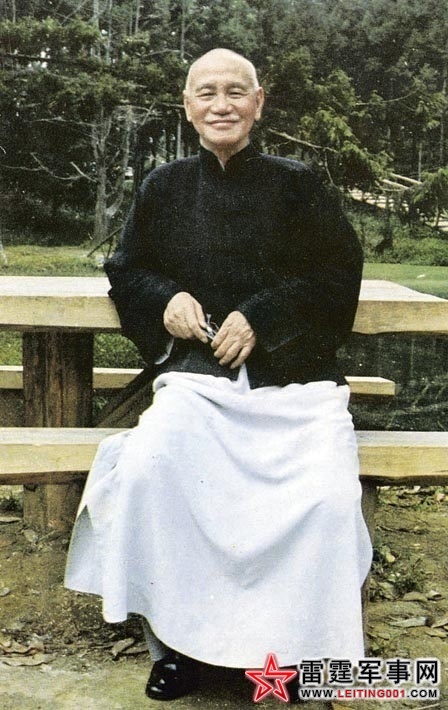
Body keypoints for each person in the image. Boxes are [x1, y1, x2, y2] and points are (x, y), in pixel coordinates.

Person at [65, 48, 372, 704]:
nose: (221, 104)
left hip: (294, 385)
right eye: (206, 92)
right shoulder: (164, 187)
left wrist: (263, 315)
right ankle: (177, 647)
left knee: (326, 499)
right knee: (149, 470)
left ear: (258, 104)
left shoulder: (299, 184)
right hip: (198, 383)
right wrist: (166, 298)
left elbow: (338, 275)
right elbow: (127, 269)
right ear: (188, 107)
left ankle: (290, 653)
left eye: (236, 91)